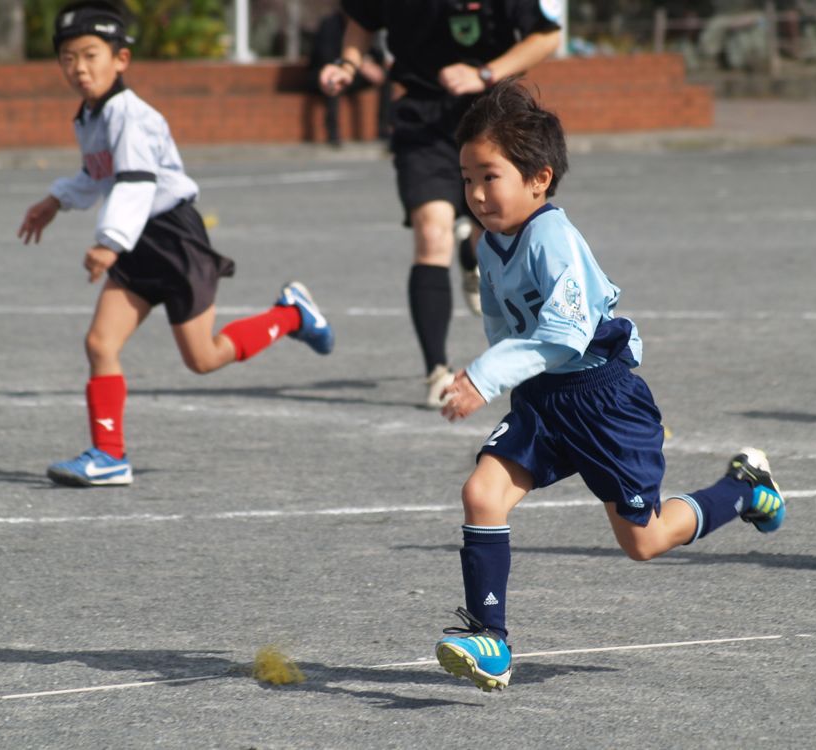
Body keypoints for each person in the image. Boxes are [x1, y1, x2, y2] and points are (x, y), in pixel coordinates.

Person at [433, 79, 787, 691]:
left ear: (538, 178)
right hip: (543, 400)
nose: (476, 194)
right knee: (482, 494)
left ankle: (744, 489)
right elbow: (504, 325)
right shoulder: (489, 245)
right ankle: (490, 640)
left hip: (603, 400)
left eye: (489, 176)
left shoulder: (552, 237)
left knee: (643, 542)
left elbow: (565, 336)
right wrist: (496, 372)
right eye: (467, 179)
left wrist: (481, 377)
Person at [17, 1, 334, 487]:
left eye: (90, 55)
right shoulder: (89, 116)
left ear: (121, 59)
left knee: (203, 358)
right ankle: (109, 455)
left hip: (172, 238)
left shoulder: (131, 114)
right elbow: (97, 174)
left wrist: (109, 242)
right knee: (100, 342)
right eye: (67, 58)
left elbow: (137, 182)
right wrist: (54, 200)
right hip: (137, 242)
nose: (78, 68)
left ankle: (291, 314)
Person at [318, 1, 561, 407]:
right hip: (423, 119)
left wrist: (485, 73)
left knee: (500, 232)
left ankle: (474, 258)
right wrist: (346, 63)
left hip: (492, 113)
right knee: (432, 233)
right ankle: (436, 371)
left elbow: (547, 36)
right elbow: (361, 21)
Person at [309, 11, 390, 147]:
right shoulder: (330, 25)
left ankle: (383, 129)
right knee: (334, 83)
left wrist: (375, 67)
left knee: (386, 79)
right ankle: (333, 135)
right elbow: (325, 56)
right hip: (322, 75)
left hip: (351, 74)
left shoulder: (366, 22)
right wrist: (357, 64)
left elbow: (377, 54)